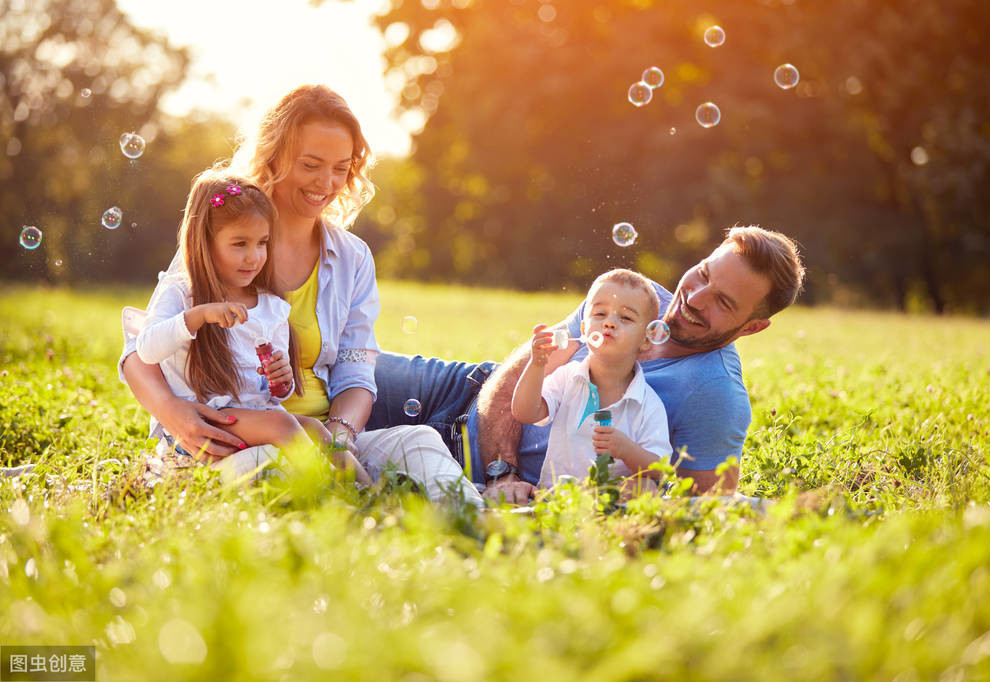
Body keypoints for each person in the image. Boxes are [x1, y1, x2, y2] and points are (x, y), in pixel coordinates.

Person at [120, 85, 481, 506]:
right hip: (234, 440)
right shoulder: (224, 237)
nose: (326, 183)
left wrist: (340, 439)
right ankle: (365, 513)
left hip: (320, 438)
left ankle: (472, 521)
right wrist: (173, 413)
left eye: (341, 168)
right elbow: (138, 351)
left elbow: (356, 371)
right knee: (277, 468)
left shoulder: (351, 257)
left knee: (418, 440)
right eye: (311, 165)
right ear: (274, 156)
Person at [366, 226, 805, 504]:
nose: (695, 297)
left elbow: (707, 506)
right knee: (334, 372)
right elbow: (521, 368)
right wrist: (503, 470)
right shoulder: (636, 295)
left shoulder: (716, 396)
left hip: (471, 469)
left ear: (752, 328)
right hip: (463, 389)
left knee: (331, 445)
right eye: (705, 273)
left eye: (724, 302)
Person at [134, 170, 370, 483]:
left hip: (253, 418)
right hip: (206, 421)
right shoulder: (181, 292)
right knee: (284, 428)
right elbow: (147, 349)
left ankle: (370, 494)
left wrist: (281, 381)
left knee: (314, 429)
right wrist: (199, 316)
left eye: (262, 243)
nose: (254, 257)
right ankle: (331, 493)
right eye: (240, 243)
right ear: (204, 241)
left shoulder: (271, 306)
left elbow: (275, 394)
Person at [511, 269, 671, 490]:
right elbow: (524, 412)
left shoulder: (647, 404)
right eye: (599, 314)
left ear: (646, 340)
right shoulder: (567, 378)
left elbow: (661, 469)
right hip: (558, 499)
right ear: (585, 329)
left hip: (611, 504)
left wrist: (626, 449)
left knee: (647, 487)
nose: (609, 323)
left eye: (625, 317)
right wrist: (537, 365)